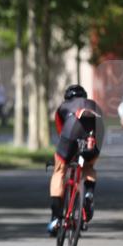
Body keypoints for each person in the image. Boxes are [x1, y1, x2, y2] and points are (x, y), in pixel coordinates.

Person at [48, 84, 104, 236]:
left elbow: (62, 133)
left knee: (59, 171)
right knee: (88, 167)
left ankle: (55, 219)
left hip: (72, 128)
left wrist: (64, 158)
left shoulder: (63, 107)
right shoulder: (94, 105)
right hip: (96, 128)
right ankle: (88, 193)